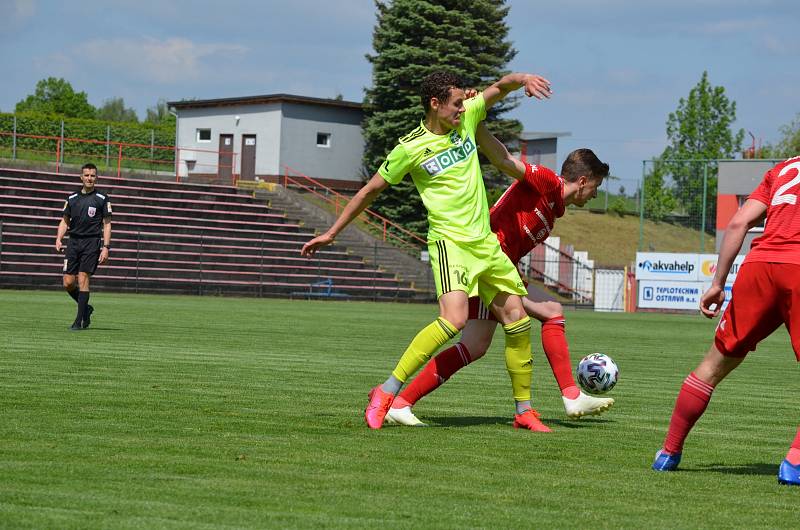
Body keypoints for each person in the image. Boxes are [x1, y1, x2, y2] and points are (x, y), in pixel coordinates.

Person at [302, 71, 553, 430]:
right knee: (453, 320)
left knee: (518, 320)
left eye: (463, 102)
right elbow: (369, 191)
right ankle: (386, 392)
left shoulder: (466, 116)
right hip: (450, 244)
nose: (462, 108)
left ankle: (524, 411)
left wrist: (523, 78)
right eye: (455, 103)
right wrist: (331, 232)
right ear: (435, 104)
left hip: (485, 242)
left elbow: (499, 87)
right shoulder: (410, 148)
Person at [386, 123, 613, 427]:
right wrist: (475, 122)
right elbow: (504, 160)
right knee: (552, 312)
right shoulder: (547, 182)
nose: (594, 195)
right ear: (583, 181)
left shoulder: (554, 207)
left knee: (475, 346)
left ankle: (400, 403)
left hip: (496, 267)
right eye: (595, 187)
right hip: (484, 262)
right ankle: (569, 397)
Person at [652, 155, 800, 486]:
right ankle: (794, 463)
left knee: (713, 364)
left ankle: (668, 452)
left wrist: (717, 283)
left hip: (759, 267)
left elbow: (737, 224)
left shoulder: (782, 169)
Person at [55, 163, 112, 331]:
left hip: (91, 243)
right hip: (73, 242)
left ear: (96, 178)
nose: (89, 178)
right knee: (68, 282)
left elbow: (107, 224)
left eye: (92, 175)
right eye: (86, 175)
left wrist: (106, 247)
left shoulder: (102, 199)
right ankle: (86, 308)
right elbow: (65, 221)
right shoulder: (72, 198)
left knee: (83, 278)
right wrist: (59, 238)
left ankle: (78, 321)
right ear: (81, 177)